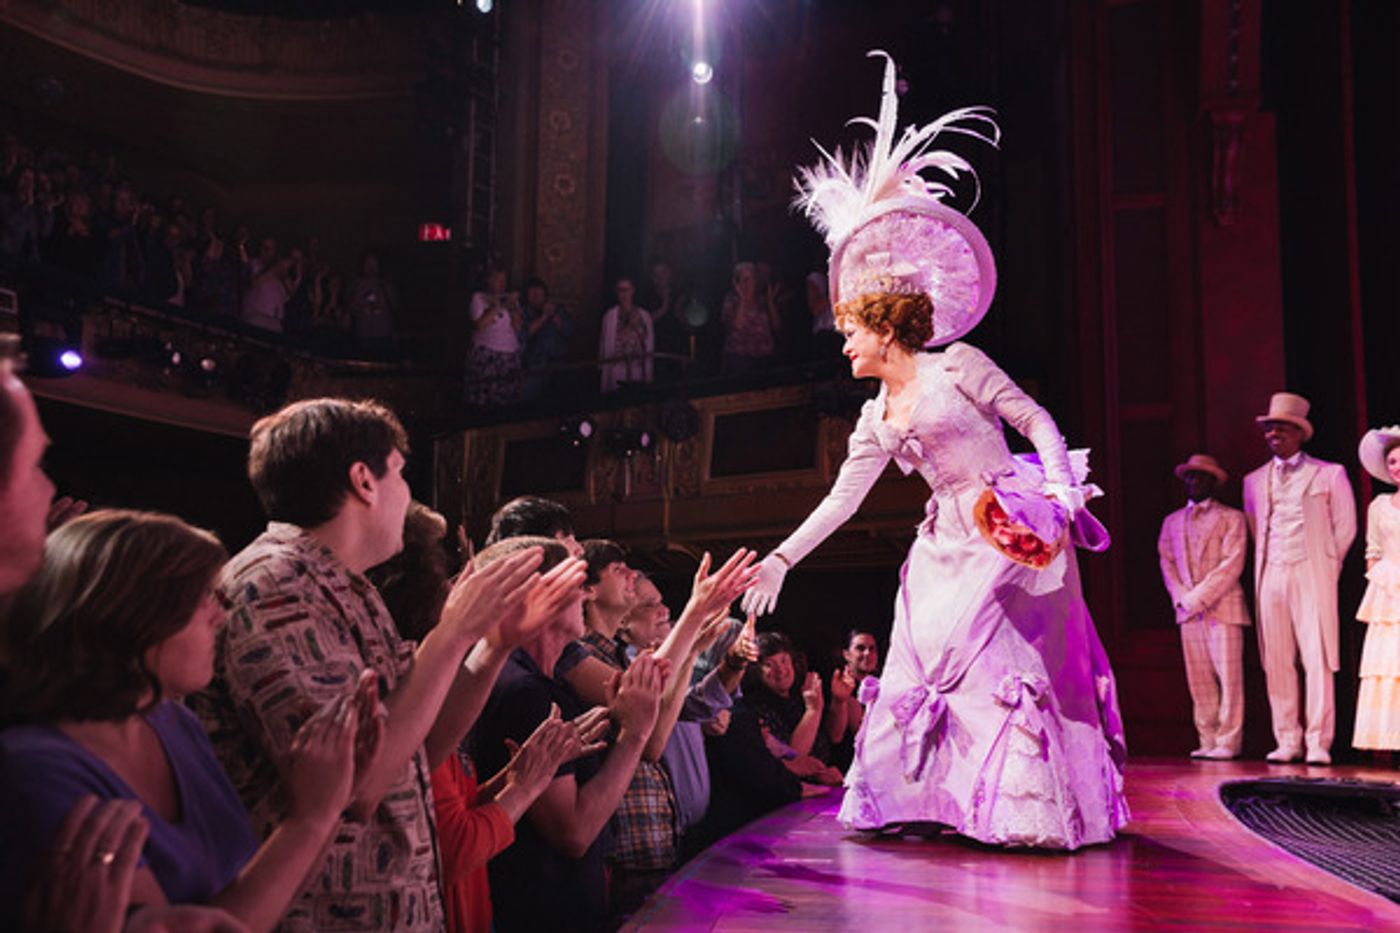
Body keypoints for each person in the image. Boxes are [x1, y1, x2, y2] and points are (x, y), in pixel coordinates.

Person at [743, 53, 1127, 850]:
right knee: (924, 663)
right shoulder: (876, 416)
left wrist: (1057, 493)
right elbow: (841, 499)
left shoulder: (959, 366)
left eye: (849, 327)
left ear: (883, 324)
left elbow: (1037, 419)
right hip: (941, 544)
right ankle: (936, 800)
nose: (841, 339)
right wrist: (781, 559)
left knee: (994, 668)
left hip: (1008, 528)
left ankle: (1022, 809)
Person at [189, 397, 548, 930]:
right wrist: (451, 634)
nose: (407, 496)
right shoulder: (274, 588)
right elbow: (358, 785)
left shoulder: (343, 586)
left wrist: (491, 646)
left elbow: (418, 750)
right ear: (363, 480)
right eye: (401, 474)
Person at [0, 510, 362, 930]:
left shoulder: (172, 722)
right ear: (133, 618)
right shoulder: (37, 770)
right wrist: (309, 818)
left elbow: (264, 896)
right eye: (199, 600)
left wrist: (332, 797)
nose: (218, 616)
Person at [368, 505, 595, 933]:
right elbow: (455, 846)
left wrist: (519, 774)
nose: (586, 594)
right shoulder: (412, 690)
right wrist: (524, 787)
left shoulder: (441, 681)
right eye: (450, 578)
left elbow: (434, 782)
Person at [1242, 392, 1356, 765]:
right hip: (1271, 571)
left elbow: (1345, 526)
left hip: (1311, 570)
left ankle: (1318, 740)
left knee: (1317, 655)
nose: (1274, 433)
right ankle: (1287, 739)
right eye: (1270, 427)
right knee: (1277, 659)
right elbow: (1257, 526)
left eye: (1282, 427)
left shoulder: (1328, 473)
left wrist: (1326, 565)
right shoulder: (1254, 481)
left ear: (1299, 433)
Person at [1157, 454, 1251, 760]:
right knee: (1199, 680)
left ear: (1214, 482)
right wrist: (1183, 598)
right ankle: (1207, 738)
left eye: (1200, 477)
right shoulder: (1172, 522)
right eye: (1190, 476)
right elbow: (1167, 563)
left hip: (1223, 606)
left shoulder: (1232, 518)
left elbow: (1231, 563)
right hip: (1188, 611)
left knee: (1229, 677)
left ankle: (1228, 741)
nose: (1193, 482)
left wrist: (1198, 597)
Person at [1353, 427, 1400, 757]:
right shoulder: (1379, 505)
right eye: (1393, 462)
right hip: (1388, 591)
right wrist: (1379, 580)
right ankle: (1391, 741)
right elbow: (1373, 549)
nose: (1397, 466)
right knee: (1388, 666)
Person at [466, 266, 523, 406]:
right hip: (488, 356)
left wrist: (512, 305)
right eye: (498, 279)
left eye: (504, 280)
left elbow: (518, 326)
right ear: (489, 280)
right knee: (486, 399)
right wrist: (497, 306)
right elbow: (481, 326)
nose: (502, 283)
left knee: (507, 399)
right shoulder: (478, 298)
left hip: (510, 356)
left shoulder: (511, 299)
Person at [598, 277, 653, 393]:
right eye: (620, 290)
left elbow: (648, 340)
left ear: (632, 290)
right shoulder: (610, 316)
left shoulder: (644, 315)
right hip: (617, 367)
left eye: (626, 290)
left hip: (638, 368)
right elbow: (604, 341)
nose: (623, 294)